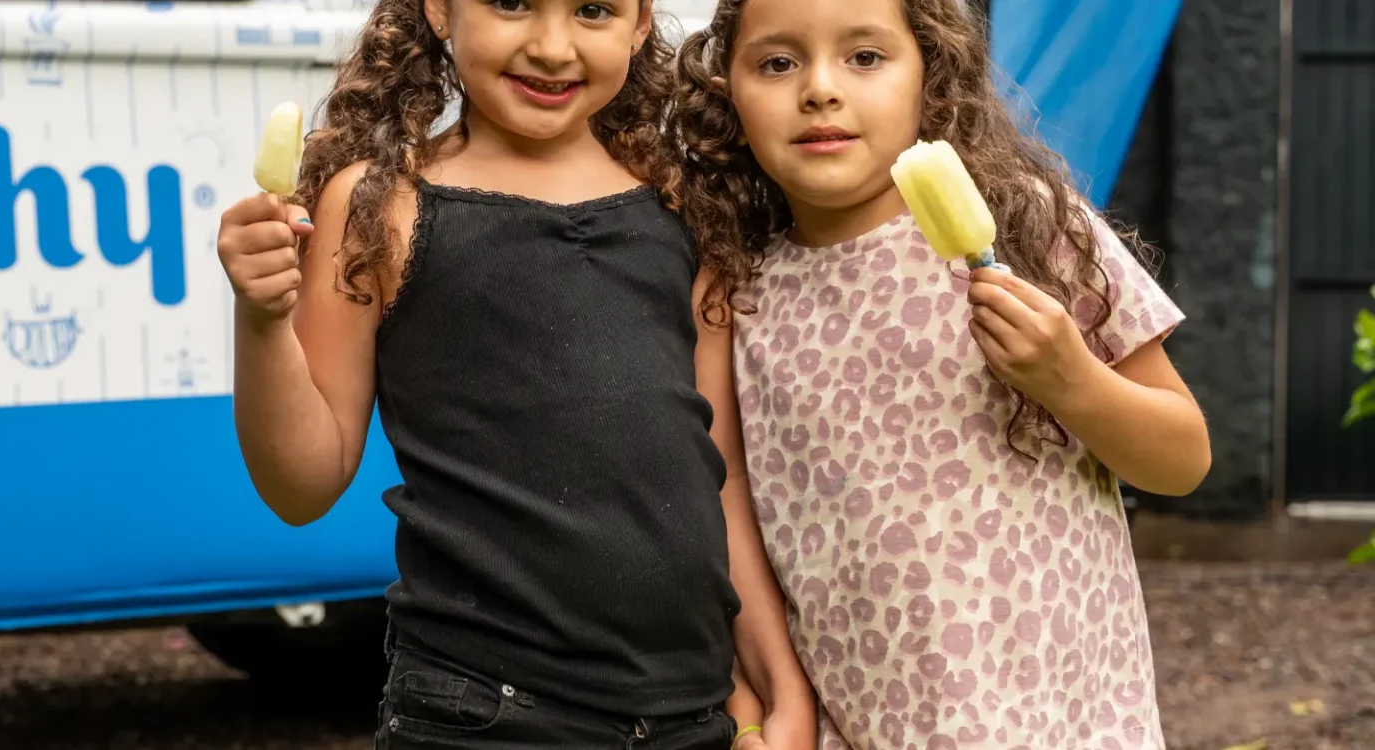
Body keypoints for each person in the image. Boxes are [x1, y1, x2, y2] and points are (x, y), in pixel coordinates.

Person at [213, 0, 818, 746]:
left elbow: (718, 475)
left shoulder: (683, 205)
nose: (552, 46)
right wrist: (262, 318)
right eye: (511, 3)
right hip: (483, 713)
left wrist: (779, 684)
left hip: (688, 712)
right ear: (440, 9)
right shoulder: (381, 206)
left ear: (639, 24)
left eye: (592, 9)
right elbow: (301, 486)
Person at [667, 0, 1213, 748]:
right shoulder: (735, 290)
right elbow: (725, 494)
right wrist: (775, 691)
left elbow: (1183, 461)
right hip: (863, 722)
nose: (820, 89)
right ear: (726, 90)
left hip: (1064, 722)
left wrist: (1070, 380)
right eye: (778, 62)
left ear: (931, 75)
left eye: (865, 57)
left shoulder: (1032, 227)